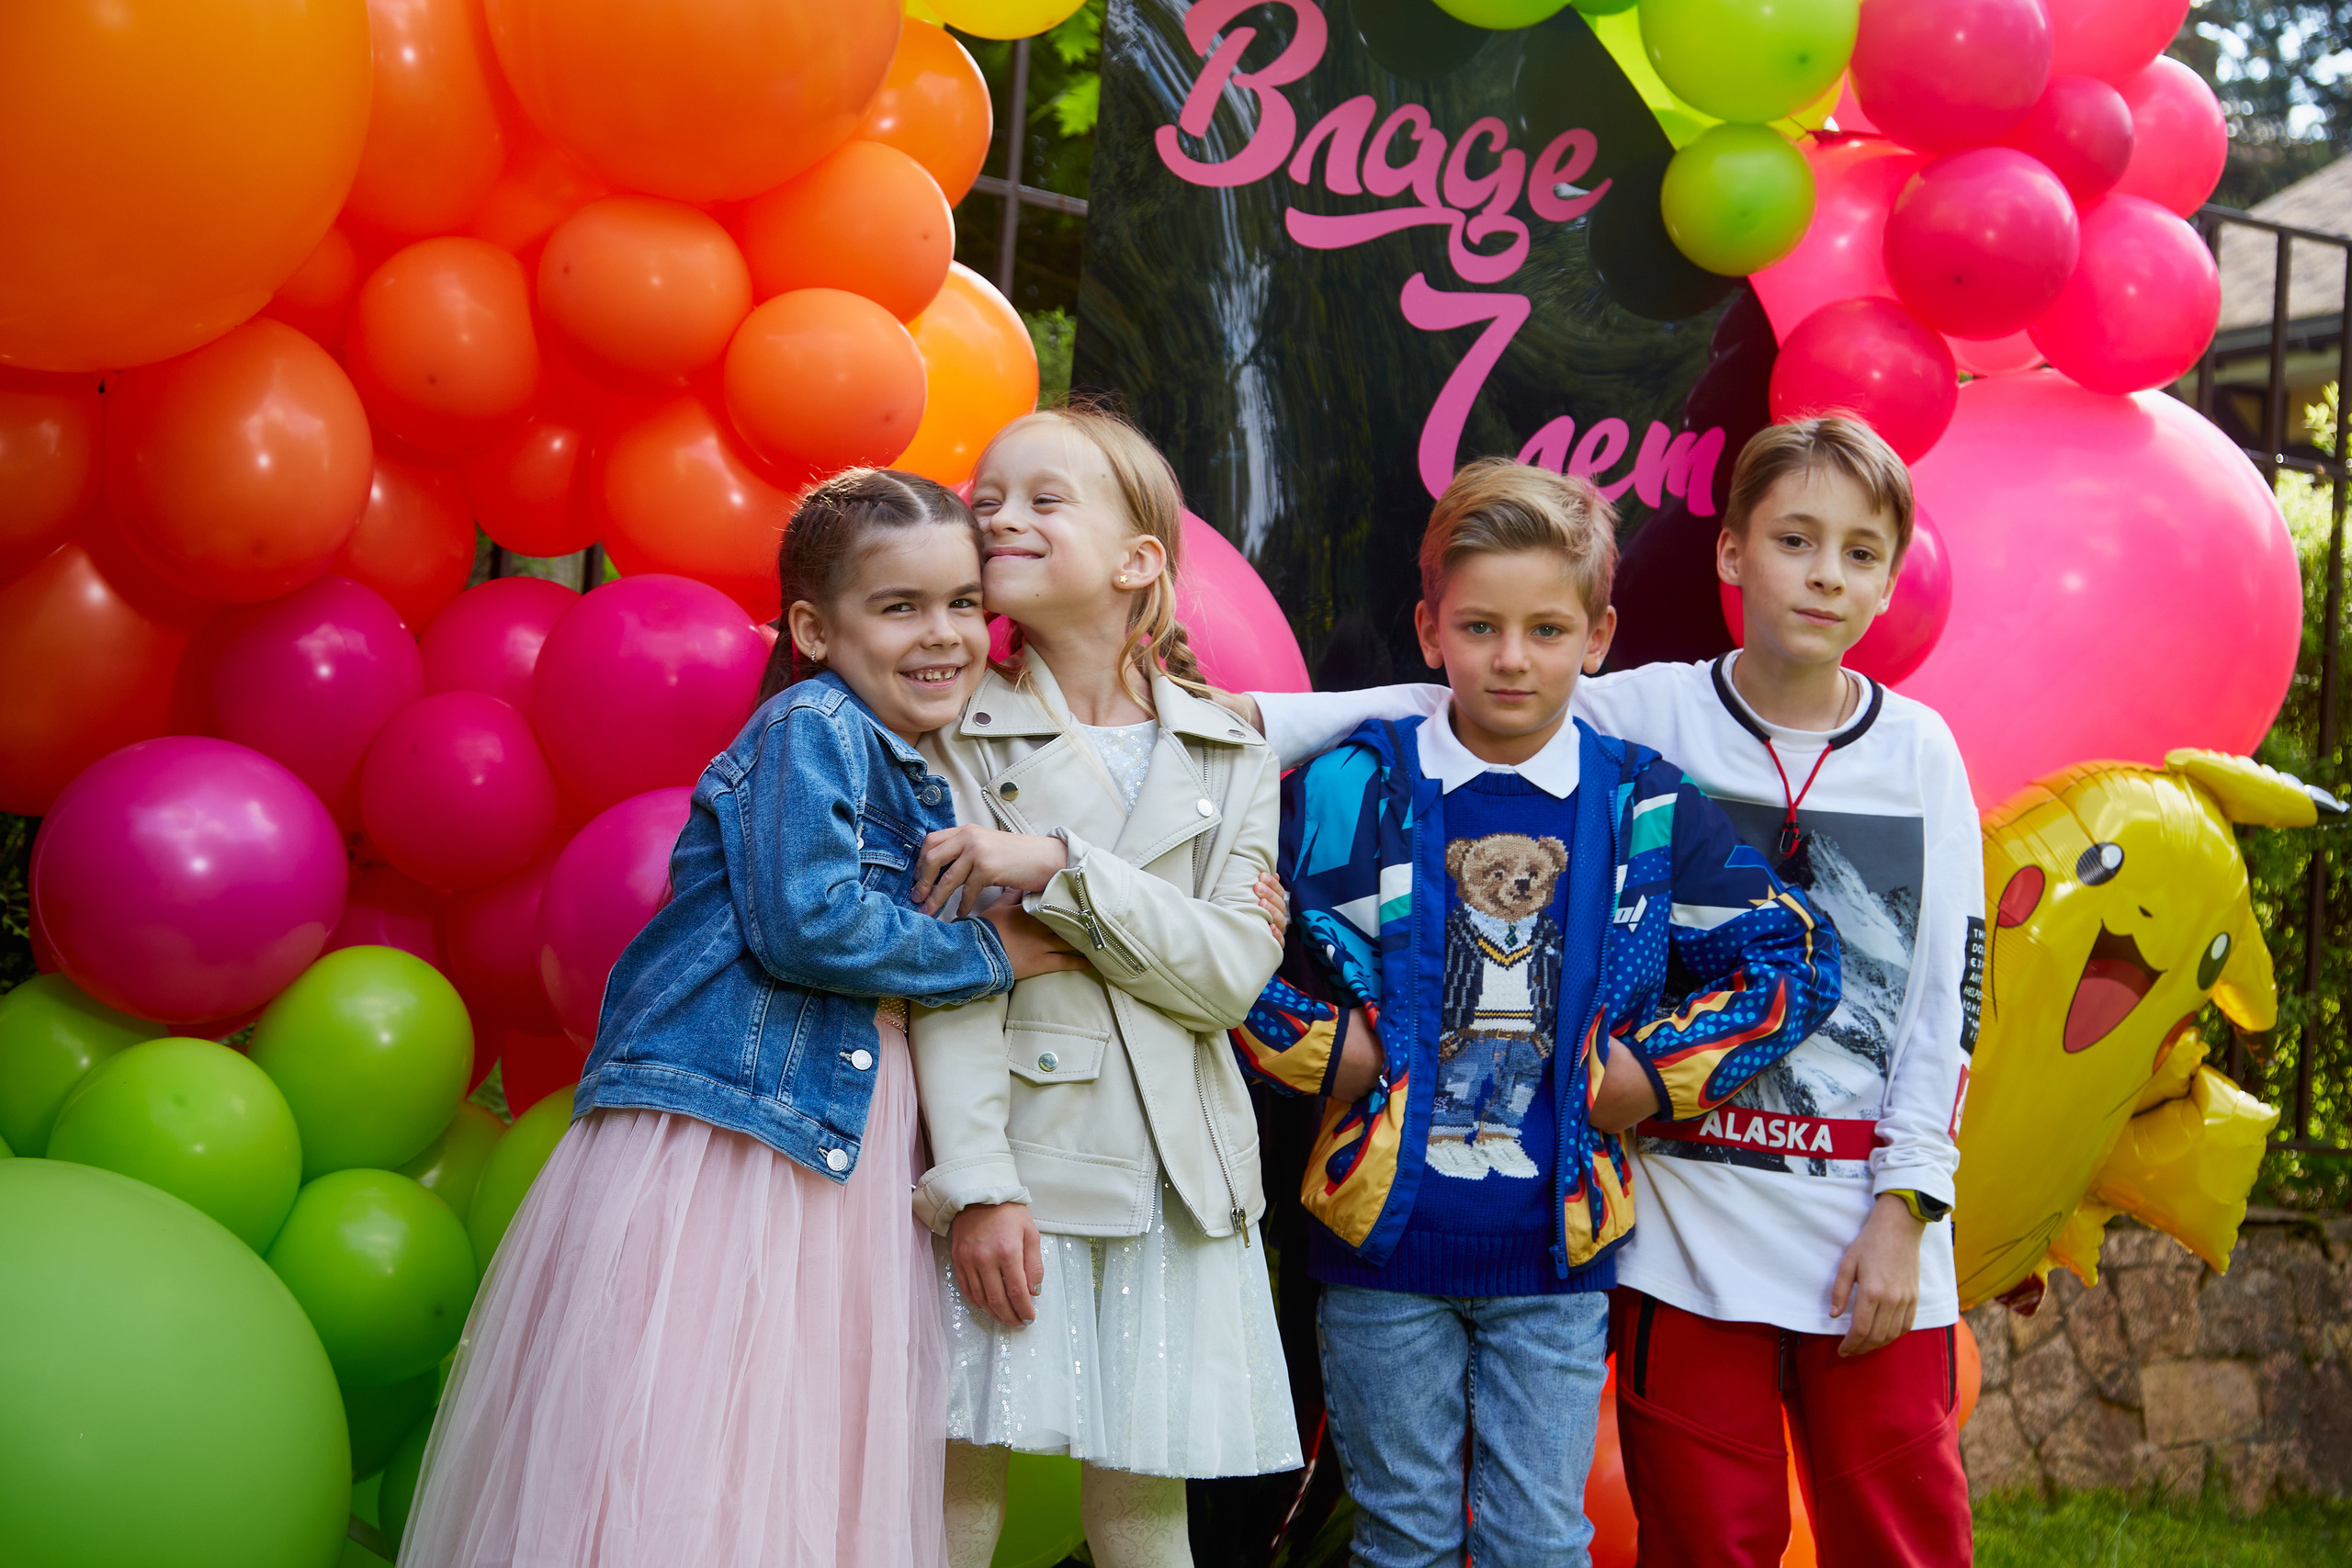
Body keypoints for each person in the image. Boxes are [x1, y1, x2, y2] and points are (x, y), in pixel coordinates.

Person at [1238, 420, 1977, 1567]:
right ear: (1731, 552)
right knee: (1662, 1533)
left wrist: (1903, 1196)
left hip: (1826, 1217)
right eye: (1794, 538)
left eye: (1858, 551)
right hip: (1666, 1231)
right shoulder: (1642, 710)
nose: (1825, 572)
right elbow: (1441, 705)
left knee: (1893, 1530)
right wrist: (1230, 724)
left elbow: (1935, 993)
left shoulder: (1909, 752)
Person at [397, 470, 1085, 1568]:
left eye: (963, 603)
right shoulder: (810, 728)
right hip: (731, 1130)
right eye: (899, 606)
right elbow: (805, 923)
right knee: (685, 1434)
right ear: (813, 629)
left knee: (786, 1435)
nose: (944, 633)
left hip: (828, 1133)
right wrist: (987, 951)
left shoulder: (921, 763)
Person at [904, 404, 1303, 1568]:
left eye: (1041, 499)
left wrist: (1061, 872)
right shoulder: (950, 737)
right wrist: (976, 1183)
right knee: (943, 1492)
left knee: (1143, 1522)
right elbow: (949, 980)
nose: (997, 519)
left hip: (1180, 1178)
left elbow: (1230, 977)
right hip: (1012, 1163)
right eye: (986, 501)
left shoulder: (1231, 751)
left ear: (1139, 561)